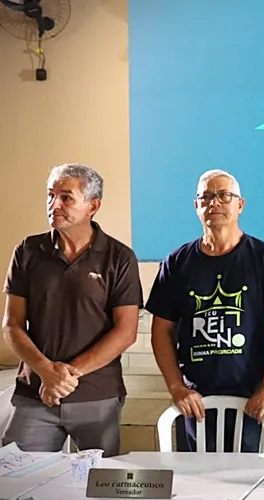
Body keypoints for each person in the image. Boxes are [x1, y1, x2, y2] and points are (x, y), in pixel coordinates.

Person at [145, 169, 264, 457]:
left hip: (253, 399)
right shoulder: (177, 262)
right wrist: (176, 387)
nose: (214, 203)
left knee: (256, 478)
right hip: (198, 403)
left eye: (224, 195)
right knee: (202, 479)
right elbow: (161, 330)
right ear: (196, 205)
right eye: (206, 197)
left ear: (240, 204)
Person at [2, 164, 142, 456]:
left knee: (100, 479)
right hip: (35, 394)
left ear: (93, 206)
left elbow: (126, 331)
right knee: (18, 475)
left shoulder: (120, 257)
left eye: (66, 197)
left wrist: (65, 377)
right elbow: (12, 325)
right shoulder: (27, 251)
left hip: (97, 396)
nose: (54, 204)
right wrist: (46, 372)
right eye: (50, 195)